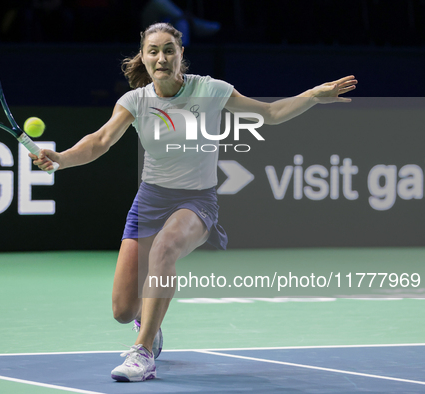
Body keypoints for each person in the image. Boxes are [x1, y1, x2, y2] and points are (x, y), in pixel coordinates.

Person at [30, 22, 357, 382]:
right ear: (143, 56)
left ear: (181, 54)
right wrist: (60, 158)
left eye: (169, 49)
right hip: (150, 201)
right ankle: (147, 323)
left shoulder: (210, 90)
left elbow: (270, 114)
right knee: (123, 310)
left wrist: (312, 95)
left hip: (196, 201)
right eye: (153, 50)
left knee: (165, 248)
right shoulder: (136, 102)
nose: (161, 58)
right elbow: (99, 141)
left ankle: (142, 352)